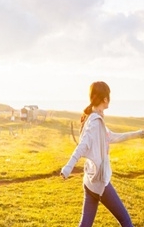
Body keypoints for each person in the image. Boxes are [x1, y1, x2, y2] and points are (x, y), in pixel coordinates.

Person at [60, 81, 144, 227]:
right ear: (105, 98)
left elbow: (113, 137)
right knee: (126, 221)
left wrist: (139, 134)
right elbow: (82, 146)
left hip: (90, 181)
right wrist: (68, 167)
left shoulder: (94, 118)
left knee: (85, 225)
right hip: (100, 182)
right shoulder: (94, 122)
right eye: (109, 95)